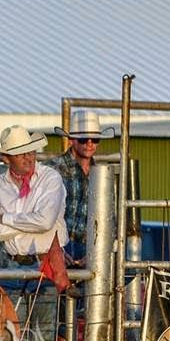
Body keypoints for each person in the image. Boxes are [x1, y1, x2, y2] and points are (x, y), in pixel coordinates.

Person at [0, 125, 68, 341]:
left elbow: (45, 221)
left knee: (43, 338)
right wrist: (29, 222)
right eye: (20, 153)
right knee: (11, 338)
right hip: (12, 268)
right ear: (6, 158)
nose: (28, 158)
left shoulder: (50, 178)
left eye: (31, 151)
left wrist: (6, 218)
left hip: (44, 266)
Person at [48, 110, 117, 266]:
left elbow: (111, 218)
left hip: (90, 247)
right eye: (84, 139)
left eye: (95, 139)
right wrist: (53, 248)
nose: (90, 144)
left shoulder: (102, 174)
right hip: (58, 244)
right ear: (72, 140)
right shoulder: (52, 169)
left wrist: (99, 252)